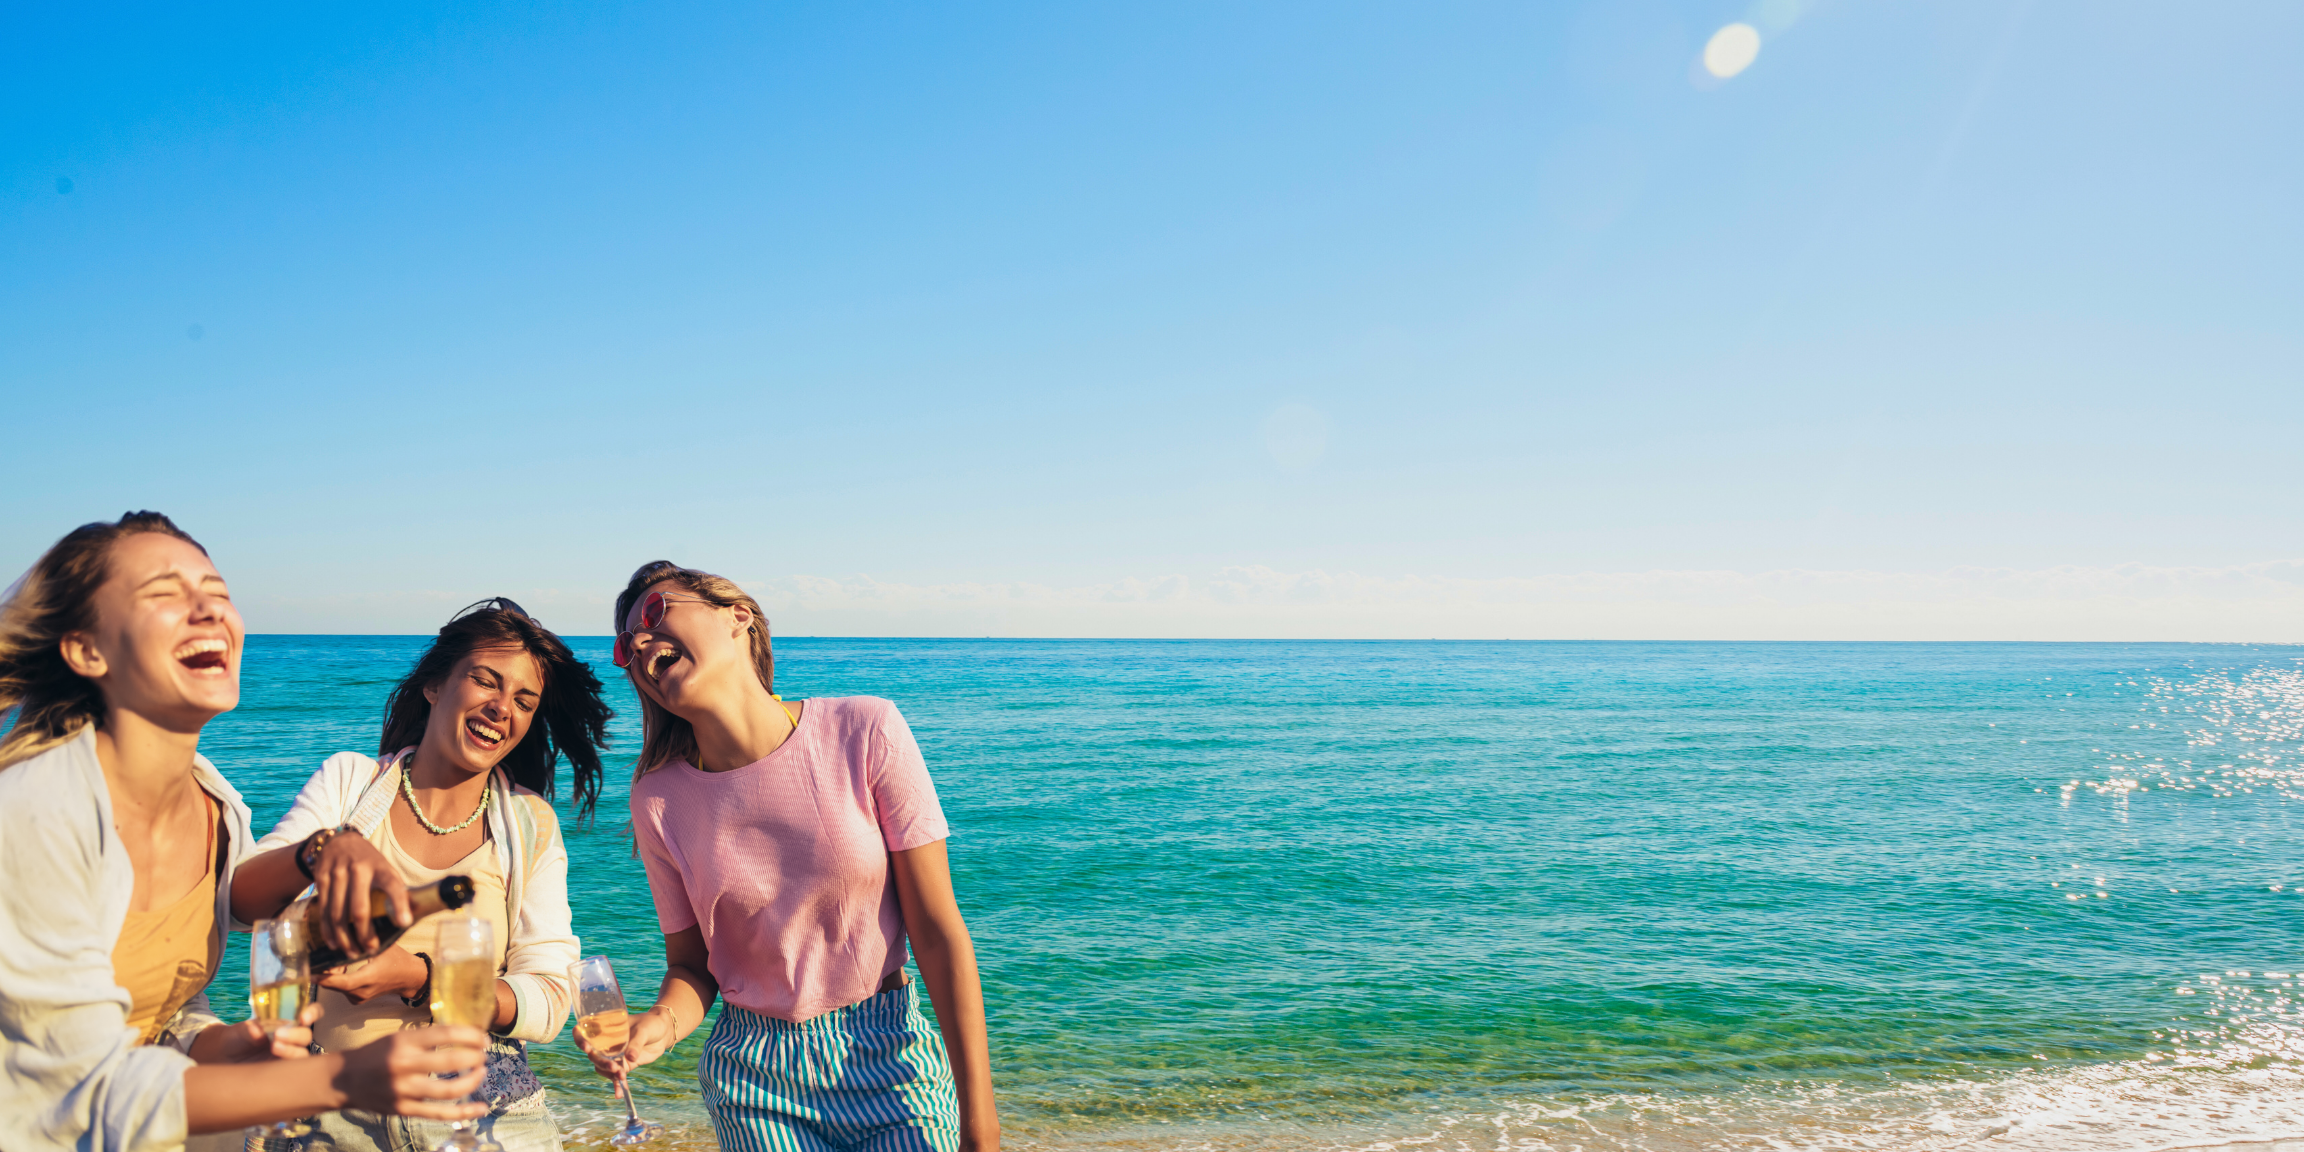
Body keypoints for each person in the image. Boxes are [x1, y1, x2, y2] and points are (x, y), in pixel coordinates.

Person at [0, 512, 489, 1152]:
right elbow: (81, 1092)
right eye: (166, 595)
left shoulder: (215, 805)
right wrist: (341, 1078)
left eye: (218, 594)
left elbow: (158, 1012)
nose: (209, 612)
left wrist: (227, 1041)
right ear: (86, 649)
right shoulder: (34, 811)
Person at [575, 560, 999, 1152]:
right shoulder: (658, 799)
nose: (640, 641)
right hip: (753, 1080)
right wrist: (659, 1028)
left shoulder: (865, 729)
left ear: (737, 617)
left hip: (891, 1055)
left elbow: (936, 930)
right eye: (626, 646)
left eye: (654, 613)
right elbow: (693, 969)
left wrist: (981, 1127)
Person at [232, 599, 607, 1152]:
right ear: (434, 685)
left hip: (485, 1103)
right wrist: (321, 851)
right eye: (486, 681)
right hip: (332, 1099)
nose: (503, 708)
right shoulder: (349, 782)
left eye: (524, 701)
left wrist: (417, 978)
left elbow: (551, 997)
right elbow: (243, 906)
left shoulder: (530, 823)